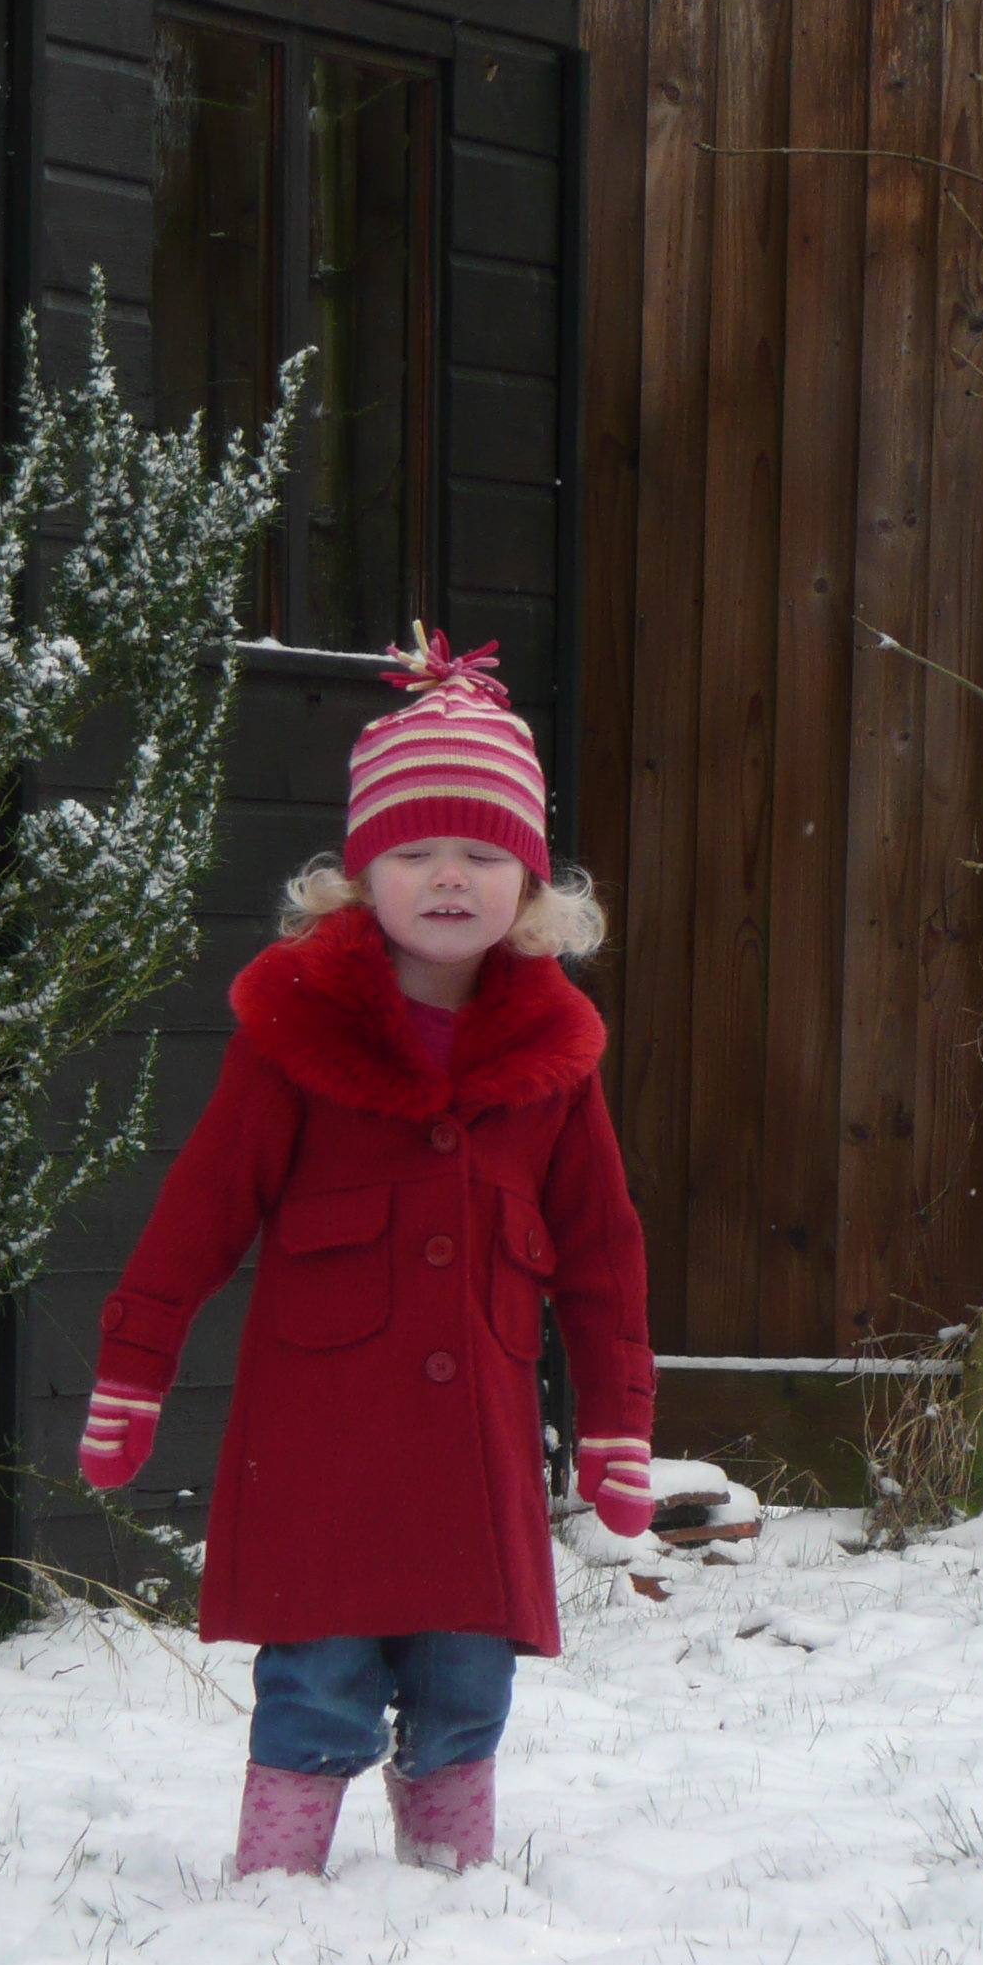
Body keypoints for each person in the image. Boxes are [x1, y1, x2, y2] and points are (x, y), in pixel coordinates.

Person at [75, 630, 655, 1879]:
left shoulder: (554, 1053)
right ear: (359, 876)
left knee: (467, 1677)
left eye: (483, 854)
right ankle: (277, 1883)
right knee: (318, 1670)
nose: (449, 878)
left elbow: (603, 1255)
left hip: (478, 1448)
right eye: (414, 852)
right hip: (321, 1440)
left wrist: (617, 1421)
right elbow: (203, 1207)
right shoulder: (298, 1029)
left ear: (531, 884)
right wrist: (134, 1367)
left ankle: (448, 1883)